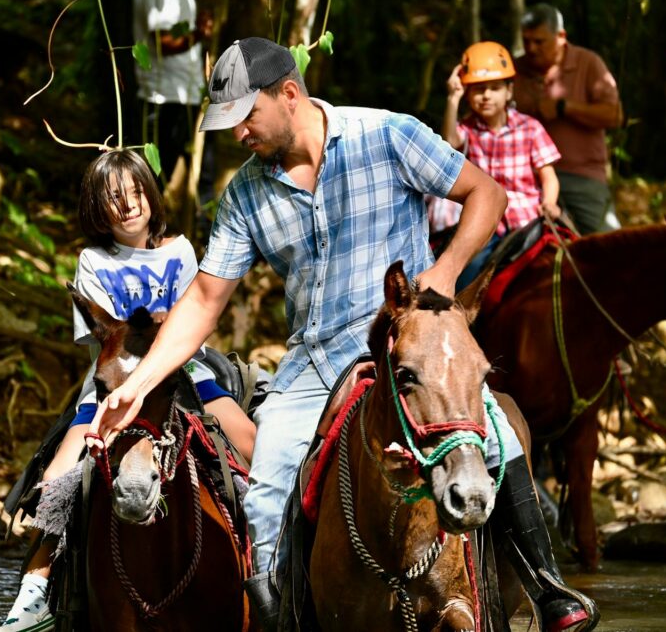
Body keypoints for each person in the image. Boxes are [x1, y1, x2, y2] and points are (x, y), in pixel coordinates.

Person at [87, 38, 598, 632]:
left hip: (408, 343)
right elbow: (204, 299)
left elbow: (486, 193)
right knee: (267, 491)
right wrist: (139, 383)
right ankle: (285, 619)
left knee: (499, 435)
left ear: (289, 94)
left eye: (246, 118)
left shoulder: (389, 135)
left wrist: (447, 269)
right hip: (314, 360)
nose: (238, 136)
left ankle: (548, 588)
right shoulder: (245, 194)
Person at [0, 149, 255, 632]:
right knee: (58, 478)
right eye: (115, 198)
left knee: (251, 445)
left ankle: (265, 567)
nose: (129, 205)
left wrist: (168, 326)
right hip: (115, 379)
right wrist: (140, 324)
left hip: (183, 373)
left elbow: (194, 317)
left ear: (151, 196)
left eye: (136, 193)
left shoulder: (180, 250)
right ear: (97, 208)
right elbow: (101, 333)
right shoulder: (92, 261)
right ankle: (35, 596)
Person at [432, 40, 561, 290]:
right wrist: (452, 97)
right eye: (478, 89)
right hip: (486, 220)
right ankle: (457, 314)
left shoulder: (530, 127)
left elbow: (548, 176)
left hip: (528, 220)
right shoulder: (467, 130)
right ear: (468, 94)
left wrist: (551, 202)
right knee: (469, 269)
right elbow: (449, 142)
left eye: (494, 88)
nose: (486, 95)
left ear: (509, 91)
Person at [513, 3, 623, 235]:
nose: (531, 49)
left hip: (581, 175)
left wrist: (565, 108)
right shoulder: (515, 69)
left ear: (561, 36)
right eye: (526, 41)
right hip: (526, 179)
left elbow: (615, 115)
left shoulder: (588, 63)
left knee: (609, 242)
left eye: (539, 42)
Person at [132, 0, 215, 187]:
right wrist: (198, 33)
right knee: (152, 179)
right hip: (162, 98)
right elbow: (163, 43)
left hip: (185, 98)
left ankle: (197, 220)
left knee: (201, 175)